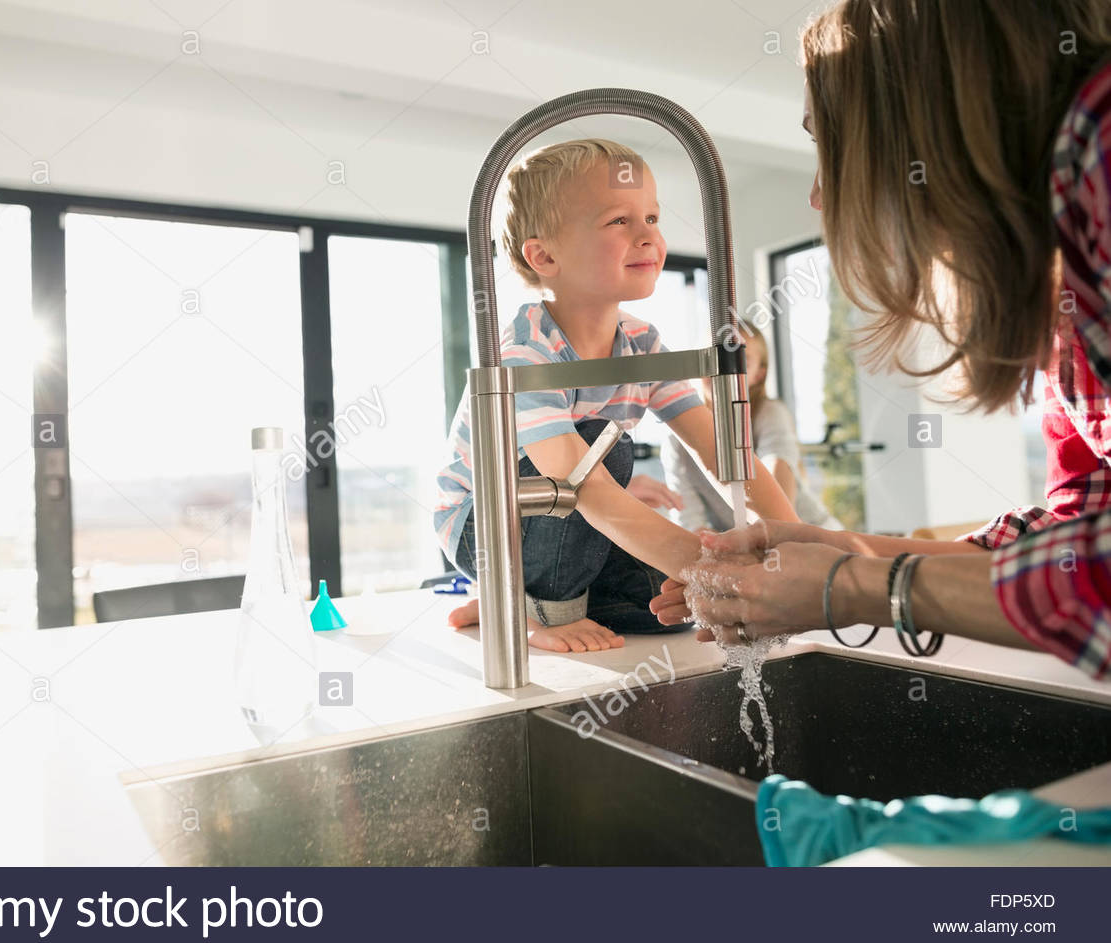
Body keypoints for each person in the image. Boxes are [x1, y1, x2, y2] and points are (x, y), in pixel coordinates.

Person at [656, 0, 1111, 681]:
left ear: (926, 113)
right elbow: (1080, 527)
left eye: (828, 142)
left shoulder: (1101, 140)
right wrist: (848, 551)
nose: (818, 192)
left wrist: (859, 585)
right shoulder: (1063, 268)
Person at [436, 138, 799, 653]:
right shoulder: (525, 356)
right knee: (604, 449)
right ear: (544, 255)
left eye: (652, 217)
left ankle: (512, 600)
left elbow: (720, 448)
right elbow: (586, 488)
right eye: (619, 221)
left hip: (567, 528)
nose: (648, 235)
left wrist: (798, 544)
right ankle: (527, 608)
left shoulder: (643, 344)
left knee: (668, 603)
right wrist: (715, 570)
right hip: (485, 530)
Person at [662, 325, 841, 533]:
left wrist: (775, 534)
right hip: (749, 549)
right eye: (711, 358)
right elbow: (690, 520)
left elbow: (778, 464)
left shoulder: (768, 412)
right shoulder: (676, 439)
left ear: (758, 375)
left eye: (741, 361)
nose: (722, 370)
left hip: (814, 532)